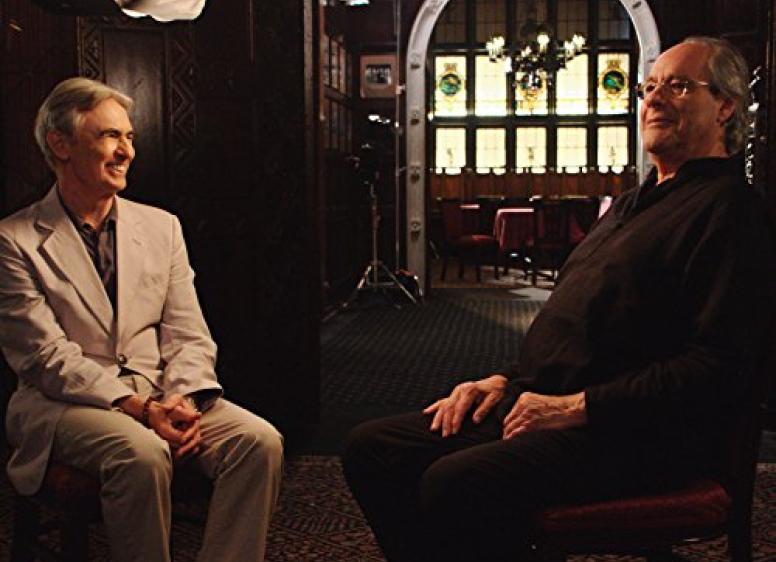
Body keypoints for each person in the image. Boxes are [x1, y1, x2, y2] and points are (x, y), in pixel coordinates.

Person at [343, 36, 776, 562]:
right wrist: (502, 380)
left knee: (456, 482)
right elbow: (579, 326)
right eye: (649, 87)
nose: (655, 99)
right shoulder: (632, 204)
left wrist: (578, 407)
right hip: (548, 400)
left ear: (726, 106)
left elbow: (718, 367)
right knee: (374, 449)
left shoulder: (731, 212)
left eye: (679, 86)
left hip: (638, 432)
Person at [0, 77, 283, 562]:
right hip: (63, 404)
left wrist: (182, 399)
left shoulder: (161, 226)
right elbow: (45, 358)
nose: (126, 151)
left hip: (161, 393)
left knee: (259, 443)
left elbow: (189, 333)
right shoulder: (14, 238)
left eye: (129, 137)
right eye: (110, 136)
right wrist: (140, 409)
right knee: (141, 452)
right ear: (60, 144)